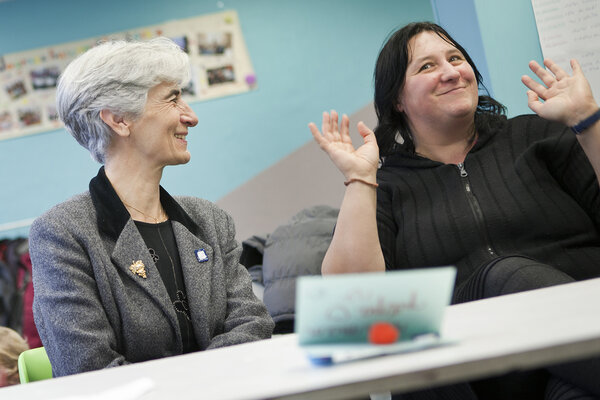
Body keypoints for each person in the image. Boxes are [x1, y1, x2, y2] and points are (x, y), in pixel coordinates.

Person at [309, 22, 600, 400]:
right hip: (477, 370)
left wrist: (589, 121)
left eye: (456, 58)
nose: (450, 72)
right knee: (501, 277)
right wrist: (363, 180)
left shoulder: (538, 136)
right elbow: (352, 307)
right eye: (426, 66)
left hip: (578, 340)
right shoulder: (389, 186)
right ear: (397, 99)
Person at [28, 37, 274, 377]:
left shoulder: (212, 221)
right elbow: (88, 371)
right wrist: (203, 385)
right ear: (118, 120)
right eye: (173, 99)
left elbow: (254, 326)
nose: (191, 116)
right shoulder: (62, 234)